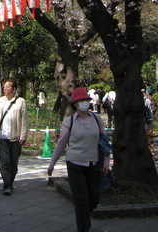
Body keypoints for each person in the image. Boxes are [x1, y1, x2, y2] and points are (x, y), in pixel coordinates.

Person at [47, 87, 110, 232]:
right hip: (75, 164)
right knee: (80, 198)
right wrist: (52, 164)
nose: (84, 103)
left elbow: (105, 141)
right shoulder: (69, 122)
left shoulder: (96, 119)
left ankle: (86, 214)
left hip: (93, 163)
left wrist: (106, 161)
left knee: (93, 198)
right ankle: (84, 228)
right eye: (81, 100)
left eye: (86, 100)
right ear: (75, 104)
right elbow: (61, 144)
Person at [0, 79, 28, 195]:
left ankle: (10, 182)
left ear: (14, 89)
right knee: (4, 162)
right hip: (2, 136)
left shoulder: (21, 102)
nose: (5, 89)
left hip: (15, 137)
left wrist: (23, 135)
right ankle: (7, 184)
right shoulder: (0, 101)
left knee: (13, 163)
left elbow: (25, 120)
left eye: (7, 87)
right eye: (4, 87)